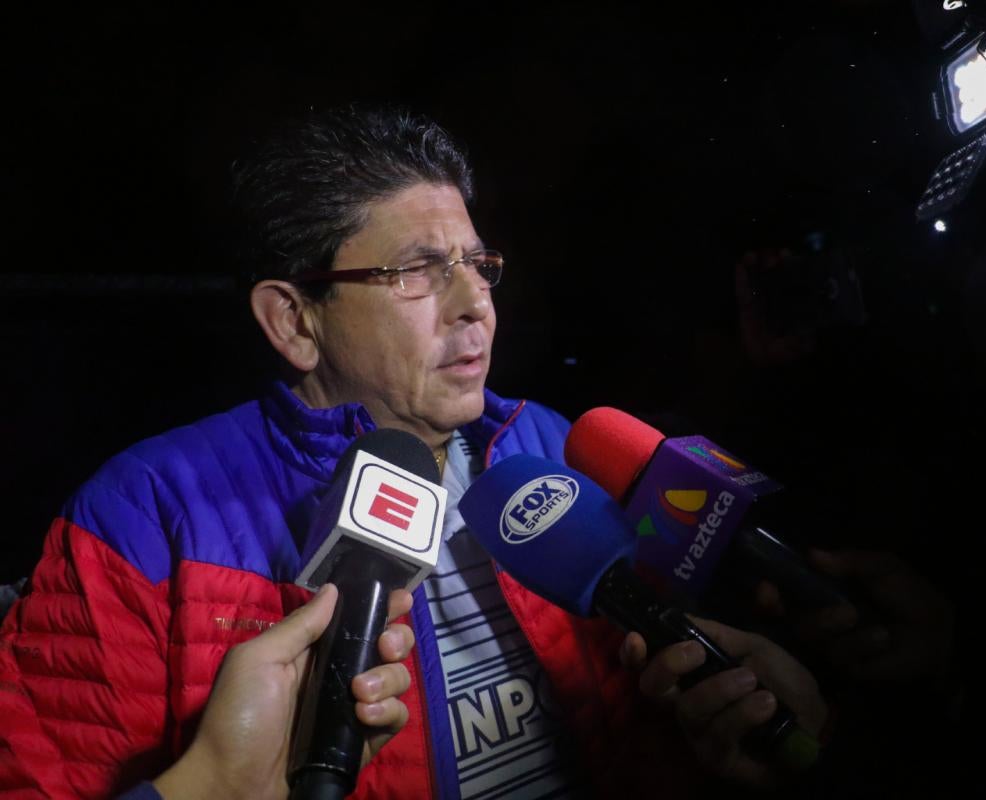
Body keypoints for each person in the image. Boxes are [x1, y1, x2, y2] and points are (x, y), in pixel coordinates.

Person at [0, 104, 827, 799]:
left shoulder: (551, 446)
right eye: (419, 272)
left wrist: (710, 744)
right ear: (294, 320)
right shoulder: (144, 517)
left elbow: (634, 729)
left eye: (479, 265)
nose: (476, 305)